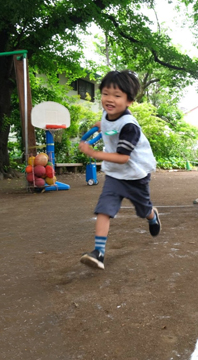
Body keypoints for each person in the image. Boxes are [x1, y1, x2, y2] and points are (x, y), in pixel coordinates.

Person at [78, 70, 160, 270]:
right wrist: (100, 125)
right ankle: (98, 253)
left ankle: (152, 214)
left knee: (143, 210)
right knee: (103, 210)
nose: (109, 99)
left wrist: (93, 153)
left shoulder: (129, 126)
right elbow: (106, 124)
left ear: (129, 101)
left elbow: (123, 158)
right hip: (115, 176)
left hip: (135, 176)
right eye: (106, 93)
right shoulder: (108, 114)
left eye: (117, 96)